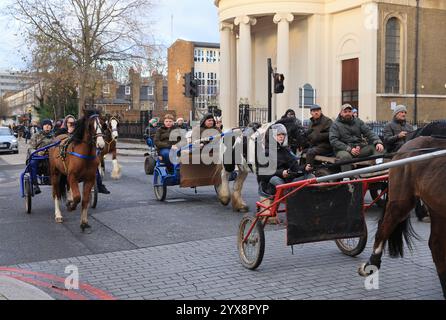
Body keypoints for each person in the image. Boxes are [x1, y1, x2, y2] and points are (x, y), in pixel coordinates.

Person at [55, 115, 110, 194]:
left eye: (73, 123)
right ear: (66, 123)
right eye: (69, 123)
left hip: (81, 155)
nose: (71, 124)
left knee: (95, 165)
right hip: (66, 156)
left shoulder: (78, 131)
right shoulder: (61, 132)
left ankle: (100, 185)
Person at [329, 104, 384, 172]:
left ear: (352, 112)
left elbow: (369, 132)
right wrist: (349, 149)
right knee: (346, 157)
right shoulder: (335, 125)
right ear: (341, 113)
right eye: (345, 112)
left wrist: (378, 142)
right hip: (343, 150)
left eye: (349, 111)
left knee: (377, 147)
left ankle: (380, 167)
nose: (347, 113)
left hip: (359, 149)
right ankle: (347, 178)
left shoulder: (358, 121)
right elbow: (333, 141)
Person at [29, 119, 55, 194]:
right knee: (32, 163)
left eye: (49, 125)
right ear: (42, 126)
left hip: (50, 156)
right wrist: (37, 153)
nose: (47, 126)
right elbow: (31, 147)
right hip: (38, 157)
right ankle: (35, 185)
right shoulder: (36, 135)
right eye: (45, 125)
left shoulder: (54, 136)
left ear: (51, 127)